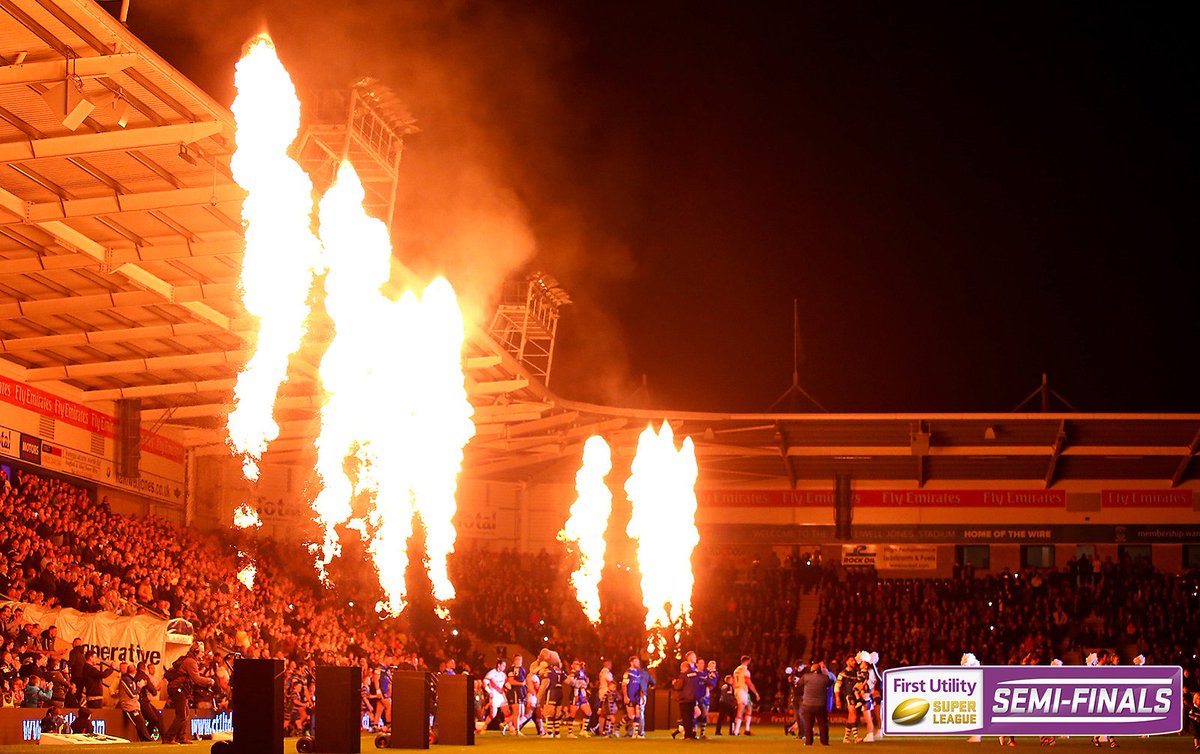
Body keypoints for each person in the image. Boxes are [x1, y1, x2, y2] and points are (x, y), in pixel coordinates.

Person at [163, 648, 215, 744]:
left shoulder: (187, 660)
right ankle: (169, 737)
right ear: (195, 652)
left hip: (179, 688)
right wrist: (209, 681)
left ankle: (181, 737)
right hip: (178, 688)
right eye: (201, 652)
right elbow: (197, 679)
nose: (202, 655)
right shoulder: (191, 662)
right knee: (182, 715)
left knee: (185, 714)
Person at [797, 657, 836, 746]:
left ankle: (808, 742)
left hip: (808, 704)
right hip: (821, 705)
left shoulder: (806, 677)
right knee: (823, 724)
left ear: (812, 669)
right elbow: (832, 682)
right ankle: (825, 742)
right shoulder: (825, 678)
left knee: (808, 725)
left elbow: (798, 684)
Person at [116, 666, 153, 741]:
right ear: (135, 671)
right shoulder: (126, 679)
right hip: (129, 707)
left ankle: (145, 740)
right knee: (141, 724)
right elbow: (132, 694)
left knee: (141, 723)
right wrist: (140, 687)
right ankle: (147, 740)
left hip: (134, 706)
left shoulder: (131, 680)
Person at [622, 656, 650, 739]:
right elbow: (624, 685)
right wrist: (625, 696)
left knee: (638, 714)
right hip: (630, 696)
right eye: (636, 661)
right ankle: (617, 727)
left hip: (637, 696)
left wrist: (642, 695)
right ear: (631, 662)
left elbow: (640, 686)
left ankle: (635, 734)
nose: (638, 663)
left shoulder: (638, 673)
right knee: (631, 716)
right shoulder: (628, 673)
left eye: (638, 661)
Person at [732, 654, 759, 736]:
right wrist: (756, 693)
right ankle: (736, 731)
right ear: (747, 661)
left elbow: (733, 681)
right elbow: (748, 682)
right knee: (741, 709)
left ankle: (747, 730)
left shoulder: (736, 670)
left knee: (749, 708)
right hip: (742, 690)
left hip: (738, 690)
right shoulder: (745, 671)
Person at [673, 658, 699, 740]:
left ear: (684, 667)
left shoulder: (683, 675)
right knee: (691, 717)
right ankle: (692, 733)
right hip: (693, 698)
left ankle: (688, 735)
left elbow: (679, 686)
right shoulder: (695, 674)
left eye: (681, 668)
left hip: (684, 699)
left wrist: (674, 683)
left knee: (686, 718)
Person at [483, 659, 509, 732]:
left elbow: (506, 683)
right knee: (493, 714)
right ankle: (484, 727)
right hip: (494, 696)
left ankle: (510, 727)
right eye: (503, 665)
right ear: (499, 665)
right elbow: (484, 683)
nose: (504, 667)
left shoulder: (503, 674)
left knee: (507, 712)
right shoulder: (491, 673)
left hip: (501, 695)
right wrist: (489, 691)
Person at [505, 654, 527, 735]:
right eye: (517, 659)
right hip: (515, 691)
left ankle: (507, 724)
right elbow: (511, 681)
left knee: (521, 713)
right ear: (514, 660)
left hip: (521, 692)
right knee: (516, 712)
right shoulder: (512, 669)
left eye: (520, 660)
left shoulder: (522, 669)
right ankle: (516, 730)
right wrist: (522, 684)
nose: (519, 661)